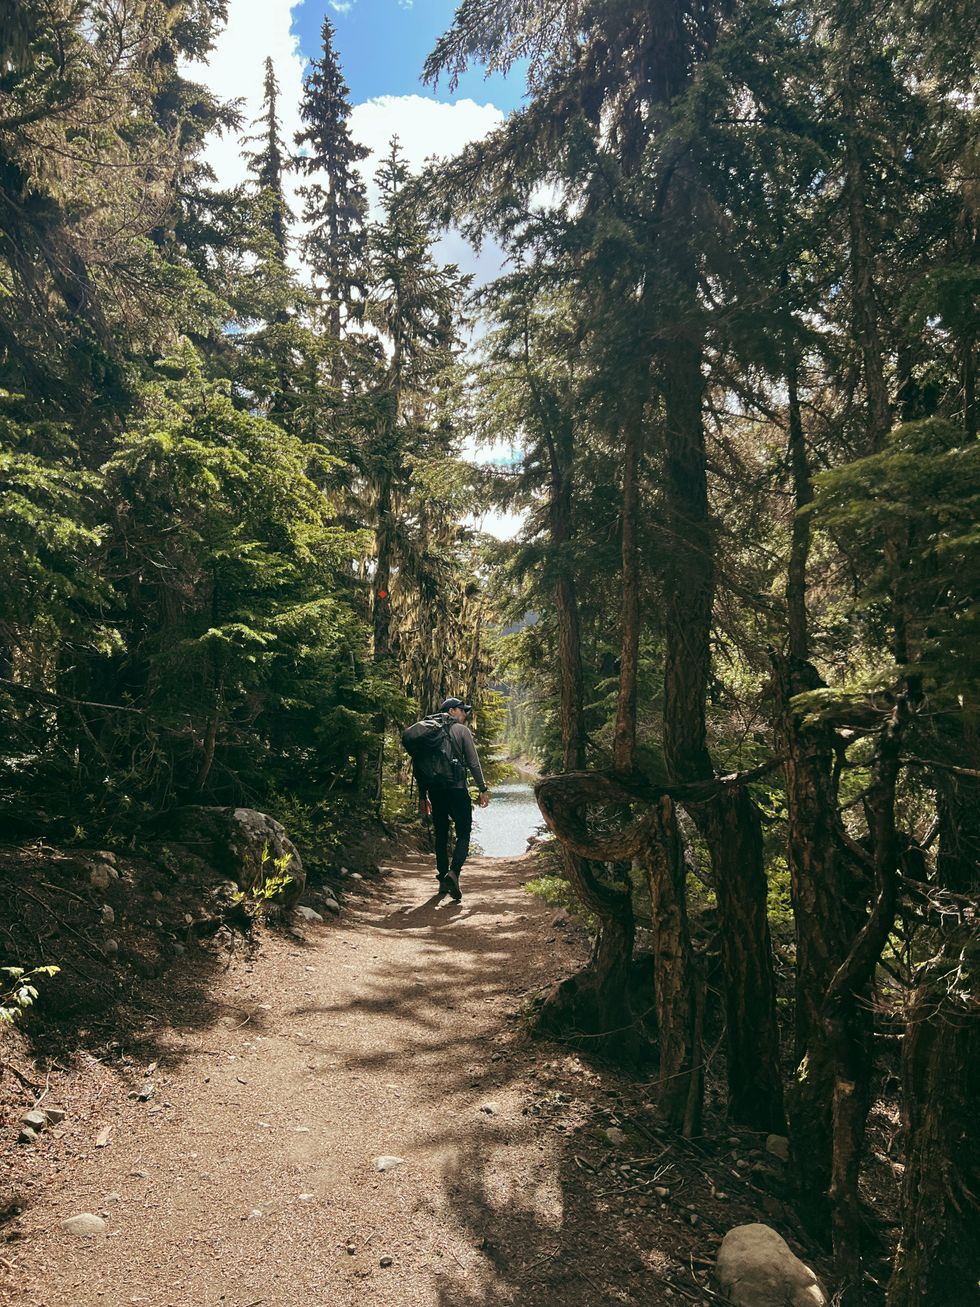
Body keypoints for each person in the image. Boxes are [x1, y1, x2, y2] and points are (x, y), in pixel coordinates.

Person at [417, 697, 490, 902]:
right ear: (451, 711)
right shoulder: (461, 731)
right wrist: (482, 788)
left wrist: (423, 796)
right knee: (464, 833)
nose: (465, 714)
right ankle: (454, 872)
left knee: (441, 834)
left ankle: (442, 879)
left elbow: (421, 766)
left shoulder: (428, 732)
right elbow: (474, 763)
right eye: (461, 710)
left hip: (436, 791)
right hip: (457, 790)